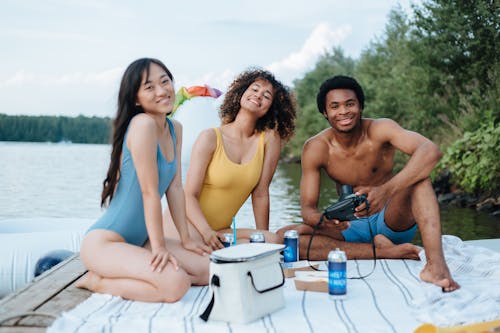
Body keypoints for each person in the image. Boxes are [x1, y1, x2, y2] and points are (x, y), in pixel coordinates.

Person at [278, 75, 459, 292]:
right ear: (325, 113)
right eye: (335, 106)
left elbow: (430, 151)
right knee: (286, 238)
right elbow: (308, 209)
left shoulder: (380, 129)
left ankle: (436, 266)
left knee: (419, 179)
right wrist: (324, 221)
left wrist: (385, 191)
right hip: (350, 226)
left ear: (361, 106)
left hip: (391, 218)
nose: (343, 111)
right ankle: (383, 251)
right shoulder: (316, 147)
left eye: (350, 104)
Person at [76, 58, 211, 302]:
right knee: (175, 286)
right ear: (136, 98)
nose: (162, 91)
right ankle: (98, 281)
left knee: (207, 269)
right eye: (149, 87)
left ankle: (144, 273)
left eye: (165, 81)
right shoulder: (142, 124)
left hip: (142, 241)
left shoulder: (175, 128)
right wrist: (159, 248)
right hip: (106, 243)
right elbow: (150, 193)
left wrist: (186, 239)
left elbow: (176, 188)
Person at [163, 68, 296, 250]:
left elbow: (260, 193)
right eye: (254, 89)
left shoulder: (269, 140)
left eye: (266, 95)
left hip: (220, 232)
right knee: (206, 259)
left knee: (272, 240)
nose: (258, 96)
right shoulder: (210, 137)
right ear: (241, 93)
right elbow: (189, 195)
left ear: (271, 107)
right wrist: (206, 232)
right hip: (185, 224)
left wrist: (263, 245)